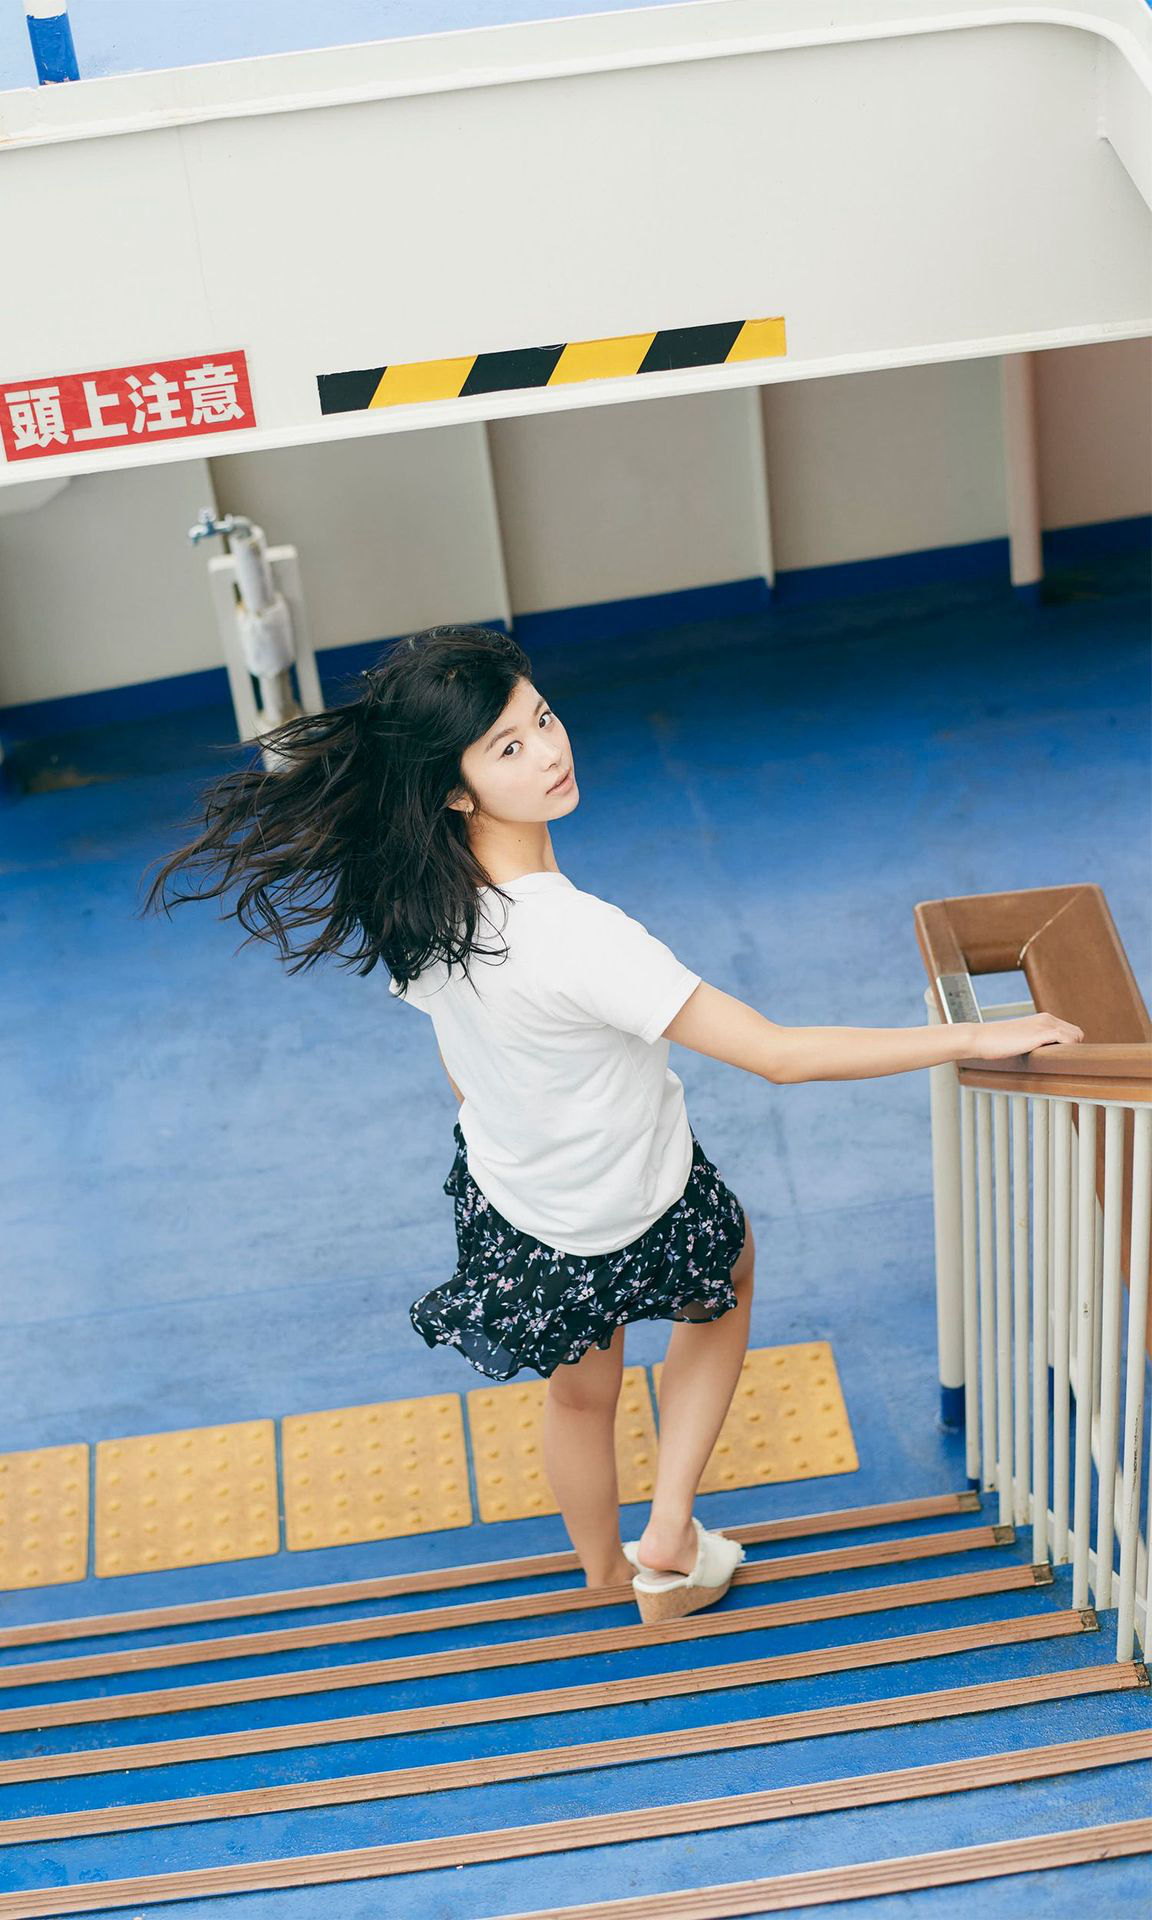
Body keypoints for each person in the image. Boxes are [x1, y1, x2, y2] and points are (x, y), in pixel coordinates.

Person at [140, 625, 1084, 1620]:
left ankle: (603, 1576)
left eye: (542, 719)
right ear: (455, 789)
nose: (549, 751)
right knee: (728, 1278)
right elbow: (776, 1054)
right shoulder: (580, 936)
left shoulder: (418, 902)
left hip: (521, 1204)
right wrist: (975, 1038)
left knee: (579, 1393)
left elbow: (460, 1064)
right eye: (509, 747)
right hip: (639, 1195)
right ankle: (669, 1533)